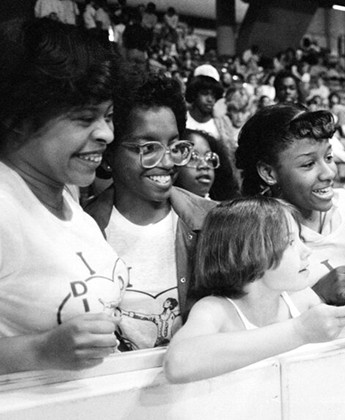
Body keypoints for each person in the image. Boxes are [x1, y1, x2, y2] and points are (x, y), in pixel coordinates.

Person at [0, 18, 122, 373]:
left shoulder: (65, 195)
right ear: (18, 118)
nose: (107, 134)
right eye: (85, 118)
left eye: (109, 116)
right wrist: (39, 351)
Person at [163, 196, 345, 383]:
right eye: (290, 242)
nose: (306, 251)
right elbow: (178, 364)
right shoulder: (215, 310)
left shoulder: (301, 298)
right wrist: (299, 331)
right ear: (248, 253)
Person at [85, 70, 216, 351]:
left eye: (174, 145)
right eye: (148, 148)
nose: (167, 160)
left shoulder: (212, 221)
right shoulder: (84, 231)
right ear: (108, 155)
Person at [235, 104, 345, 305]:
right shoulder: (255, 235)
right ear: (269, 173)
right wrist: (317, 294)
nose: (329, 173)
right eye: (308, 164)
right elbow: (248, 316)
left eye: (329, 157)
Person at [174, 129, 239, 201]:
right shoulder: (167, 210)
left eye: (209, 158)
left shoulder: (222, 209)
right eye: (193, 158)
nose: (205, 165)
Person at [185, 66, 224, 139]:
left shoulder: (220, 127)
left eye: (213, 95)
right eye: (205, 93)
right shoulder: (182, 119)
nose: (210, 99)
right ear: (194, 94)